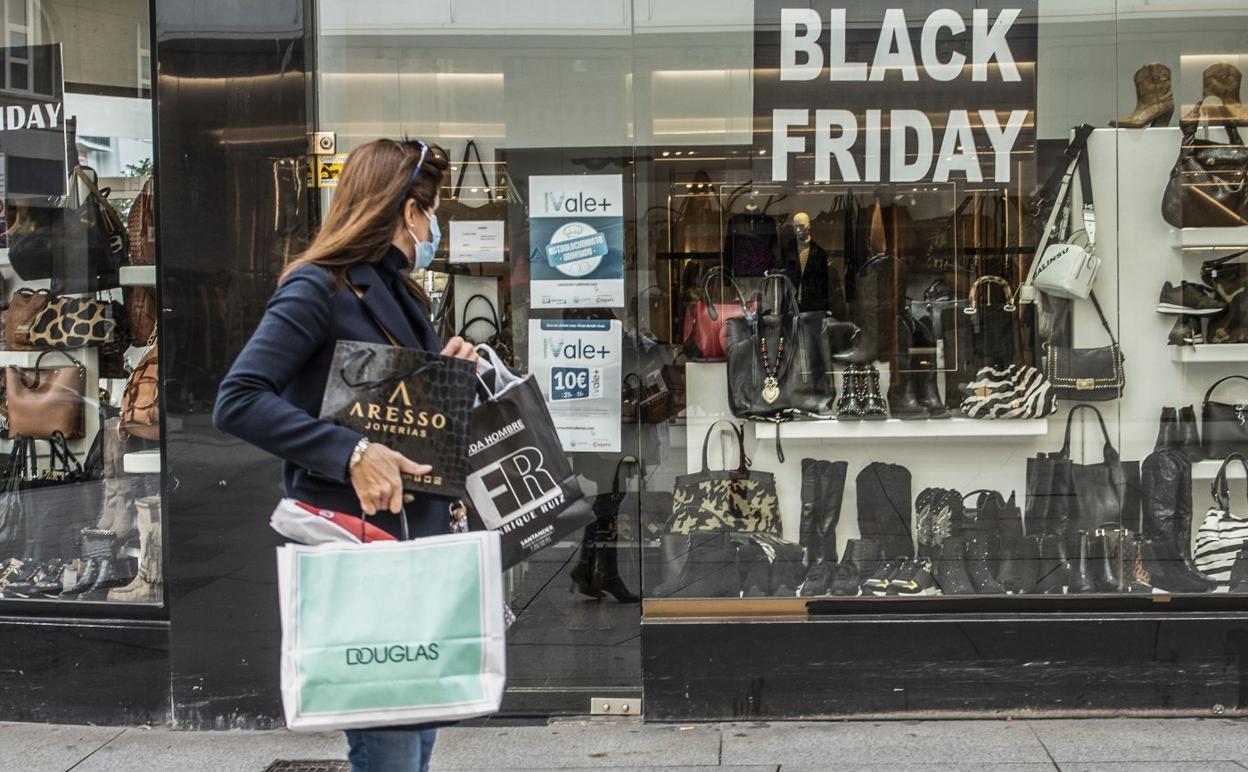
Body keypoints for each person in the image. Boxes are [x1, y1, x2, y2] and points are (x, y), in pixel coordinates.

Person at [213, 138, 476, 772]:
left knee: (417, 737)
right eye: (433, 208)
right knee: (389, 748)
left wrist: (445, 375)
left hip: (417, 545)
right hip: (360, 544)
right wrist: (351, 452)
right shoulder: (317, 287)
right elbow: (239, 398)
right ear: (408, 210)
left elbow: (386, 405)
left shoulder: (403, 294)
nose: (435, 225)